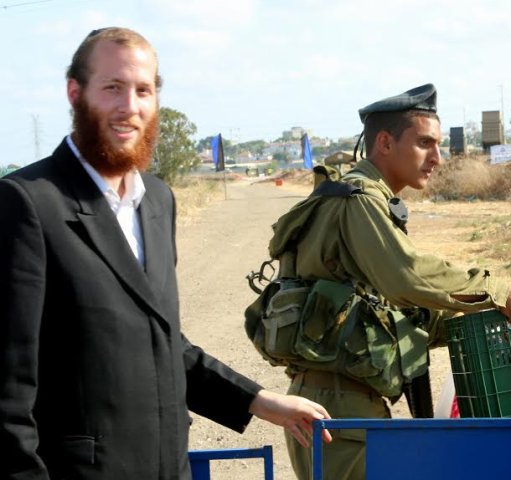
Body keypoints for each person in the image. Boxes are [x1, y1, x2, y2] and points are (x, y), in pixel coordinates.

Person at [0, 27, 331, 480]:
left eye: (142, 90)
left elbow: (161, 345)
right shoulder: (28, 204)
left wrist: (260, 401)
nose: (129, 107)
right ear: (75, 93)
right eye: (112, 88)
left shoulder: (156, 201)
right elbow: (7, 393)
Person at [262, 83, 511, 480]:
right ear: (384, 142)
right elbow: (407, 277)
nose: (438, 158)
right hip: (340, 412)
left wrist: (484, 318)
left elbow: (396, 311)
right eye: (425, 144)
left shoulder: (355, 198)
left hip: (337, 403)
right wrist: (495, 290)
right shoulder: (358, 201)